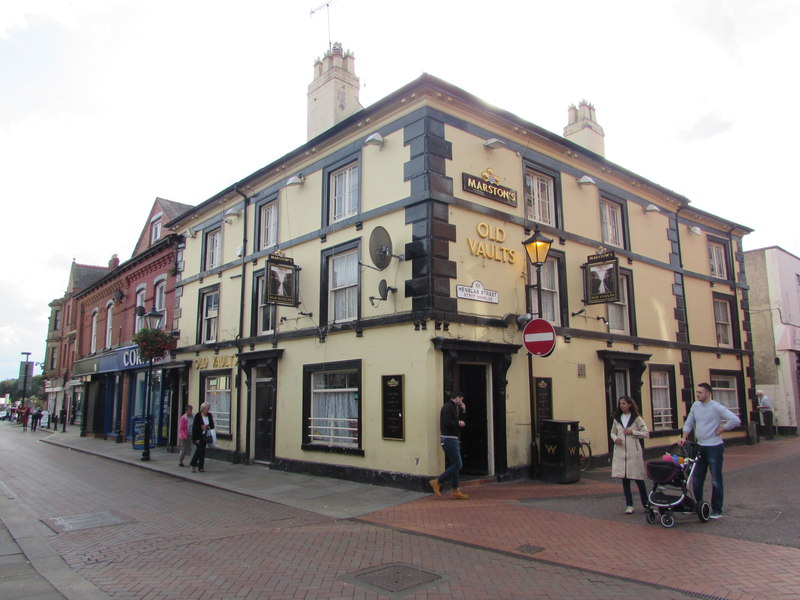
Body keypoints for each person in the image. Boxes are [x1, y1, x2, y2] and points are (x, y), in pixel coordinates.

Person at [678, 382, 741, 519]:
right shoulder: (695, 406)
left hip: (714, 447)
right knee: (696, 479)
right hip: (700, 446)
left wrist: (722, 429)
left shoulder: (716, 407)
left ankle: (717, 509)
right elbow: (689, 422)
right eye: (697, 392)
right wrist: (684, 436)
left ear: (708, 393)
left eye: (700, 392)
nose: (698, 394)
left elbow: (735, 420)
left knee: (716, 479)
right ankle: (699, 506)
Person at [610, 396, 650, 514]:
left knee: (638, 479)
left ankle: (646, 504)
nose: (621, 405)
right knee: (625, 479)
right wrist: (616, 438)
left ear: (629, 405)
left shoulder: (636, 419)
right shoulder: (617, 419)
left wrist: (632, 432)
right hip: (622, 452)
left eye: (624, 403)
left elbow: (646, 433)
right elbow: (612, 432)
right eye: (620, 403)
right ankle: (629, 504)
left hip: (634, 452)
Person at [429, 390, 469, 500]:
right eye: (461, 399)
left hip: (454, 439)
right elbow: (447, 422)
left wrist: (464, 410)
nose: (462, 401)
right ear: (457, 398)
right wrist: (458, 423)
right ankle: (437, 481)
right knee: (458, 465)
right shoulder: (447, 407)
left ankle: (455, 490)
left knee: (455, 464)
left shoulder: (456, 407)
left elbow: (463, 422)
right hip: (448, 439)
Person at [189, 402, 215, 473]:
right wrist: (196, 438)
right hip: (198, 436)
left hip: (205, 436)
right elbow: (195, 428)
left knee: (202, 451)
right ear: (202, 409)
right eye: (206, 408)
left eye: (208, 409)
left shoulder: (209, 415)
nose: (207, 410)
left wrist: (207, 426)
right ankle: (193, 464)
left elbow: (212, 425)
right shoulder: (198, 415)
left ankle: (200, 467)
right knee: (199, 450)